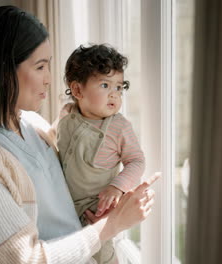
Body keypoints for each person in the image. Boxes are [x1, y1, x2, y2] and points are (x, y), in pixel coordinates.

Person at [0, 5, 157, 264]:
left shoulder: (34, 125)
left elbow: (66, 203)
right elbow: (24, 259)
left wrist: (99, 213)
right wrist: (111, 224)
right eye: (40, 67)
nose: (49, 79)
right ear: (4, 70)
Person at [57, 44, 145, 264]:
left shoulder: (119, 127)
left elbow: (137, 161)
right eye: (105, 85)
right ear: (77, 91)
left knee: (103, 256)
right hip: (64, 207)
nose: (114, 94)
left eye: (119, 87)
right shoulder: (67, 116)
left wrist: (117, 186)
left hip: (95, 211)